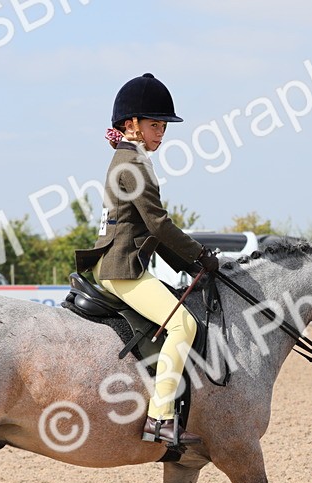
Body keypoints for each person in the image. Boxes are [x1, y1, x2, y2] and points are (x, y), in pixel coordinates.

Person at [75, 74, 219, 447]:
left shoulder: (130, 158)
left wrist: (190, 266)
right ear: (131, 125)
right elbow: (158, 222)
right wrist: (199, 254)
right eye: (155, 124)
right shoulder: (133, 164)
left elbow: (150, 230)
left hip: (120, 263)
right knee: (183, 325)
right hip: (121, 269)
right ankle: (160, 417)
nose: (161, 132)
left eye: (163, 125)